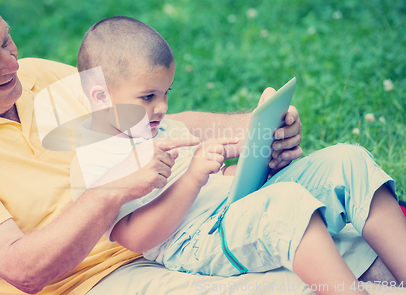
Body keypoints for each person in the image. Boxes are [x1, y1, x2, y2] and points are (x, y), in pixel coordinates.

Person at [0, 0, 399, 295]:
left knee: (346, 224)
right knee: (294, 277)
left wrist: (256, 128)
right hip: (95, 280)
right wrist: (125, 188)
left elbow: (146, 122)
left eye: (6, 39)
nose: (12, 63)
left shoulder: (34, 75)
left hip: (186, 219)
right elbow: (25, 268)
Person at [67, 16, 404, 295]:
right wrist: (193, 178)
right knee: (283, 205)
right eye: (147, 96)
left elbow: (216, 179)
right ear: (101, 96)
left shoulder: (162, 127)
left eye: (166, 93)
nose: (163, 106)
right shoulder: (96, 160)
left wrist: (254, 159)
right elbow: (136, 237)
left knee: (347, 160)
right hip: (193, 240)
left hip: (231, 210)